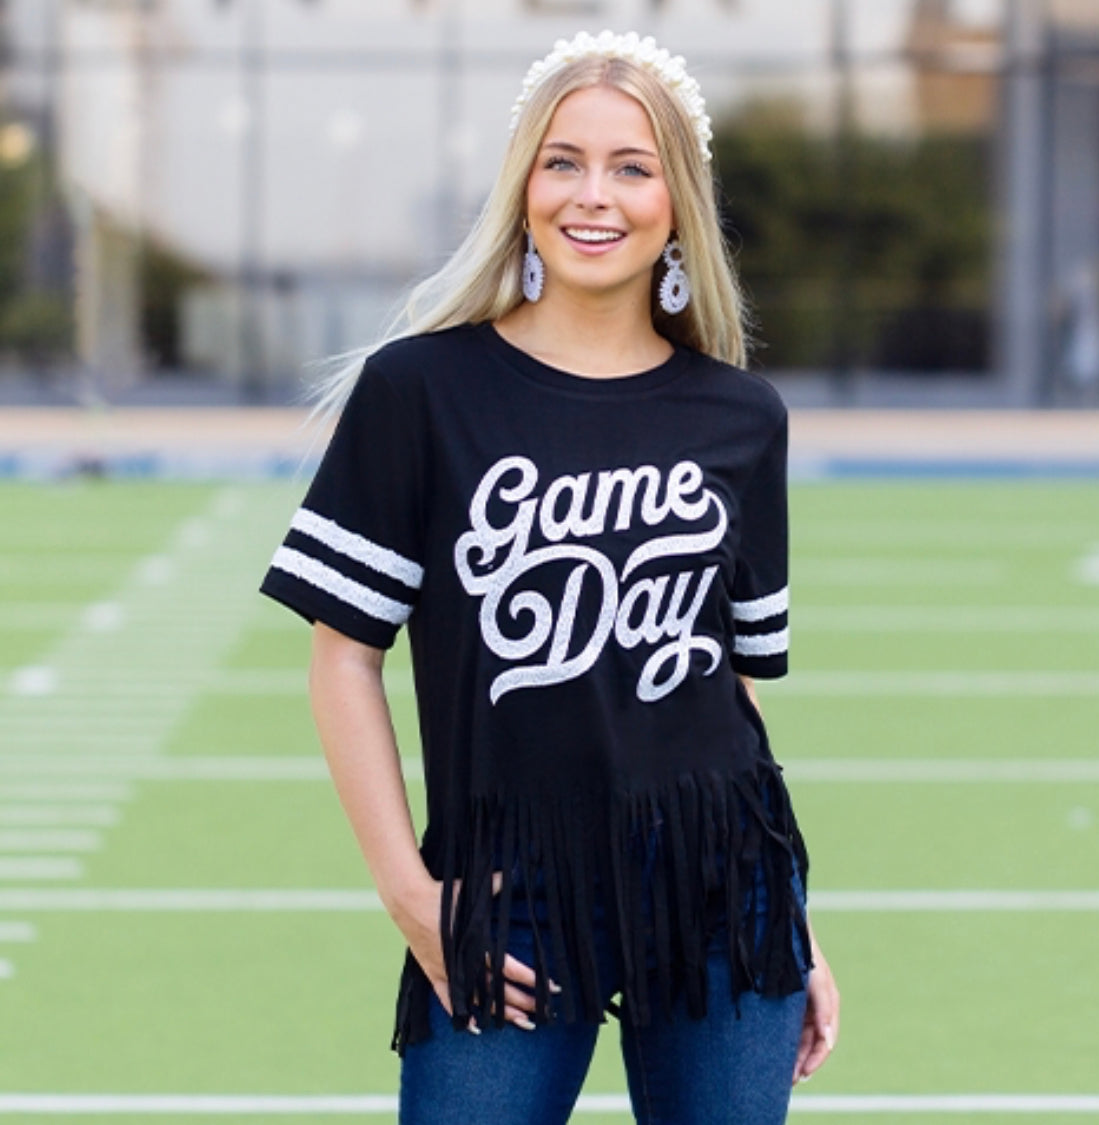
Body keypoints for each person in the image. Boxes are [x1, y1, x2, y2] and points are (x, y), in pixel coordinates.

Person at [261, 29, 839, 1124]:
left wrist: (796, 922)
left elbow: (731, 693)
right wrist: (411, 895)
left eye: (632, 167)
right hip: (505, 885)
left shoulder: (741, 416)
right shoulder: (421, 390)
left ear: (678, 203)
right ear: (523, 187)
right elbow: (343, 659)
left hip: (724, 884)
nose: (593, 194)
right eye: (562, 161)